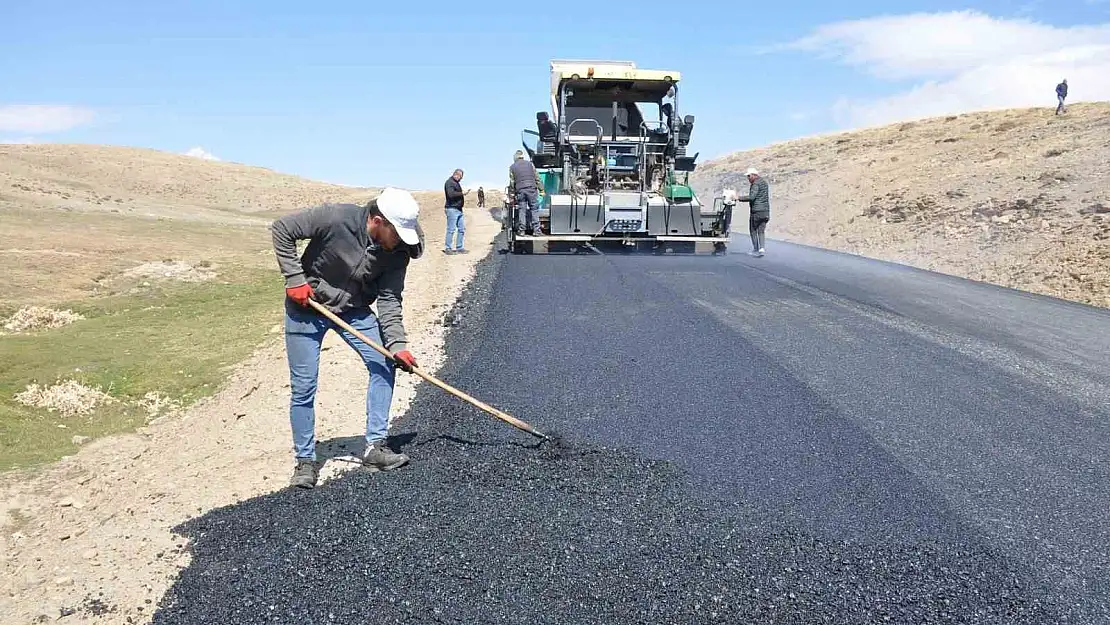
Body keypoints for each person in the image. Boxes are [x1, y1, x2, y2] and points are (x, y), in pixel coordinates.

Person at [270, 188, 424, 489]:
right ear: (378, 221)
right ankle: (305, 461)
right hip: (307, 305)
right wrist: (295, 279)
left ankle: (375, 448)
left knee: (384, 363)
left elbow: (390, 301)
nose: (401, 242)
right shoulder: (336, 218)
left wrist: (398, 345)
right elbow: (282, 229)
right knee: (304, 386)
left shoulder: (397, 253)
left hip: (353, 310)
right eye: (397, 234)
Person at [509, 150, 543, 236]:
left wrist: (512, 193)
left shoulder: (512, 167)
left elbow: (512, 182)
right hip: (531, 189)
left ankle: (522, 230)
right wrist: (541, 189)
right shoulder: (530, 164)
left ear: (515, 158)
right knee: (534, 209)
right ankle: (536, 231)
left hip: (520, 190)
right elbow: (537, 177)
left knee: (522, 210)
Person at [737, 167, 770, 257]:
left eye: (749, 176)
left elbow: (752, 197)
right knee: (761, 231)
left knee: (753, 230)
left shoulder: (755, 184)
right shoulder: (764, 182)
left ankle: (755, 249)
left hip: (757, 211)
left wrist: (738, 198)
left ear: (754, 175)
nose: (748, 178)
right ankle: (762, 248)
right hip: (766, 211)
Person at [443, 168, 467, 254]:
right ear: (456, 174)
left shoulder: (456, 183)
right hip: (452, 209)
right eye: (460, 177)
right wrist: (462, 193)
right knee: (451, 229)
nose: (461, 179)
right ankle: (448, 248)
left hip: (458, 209)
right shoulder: (449, 182)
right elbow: (450, 194)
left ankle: (459, 247)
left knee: (461, 229)